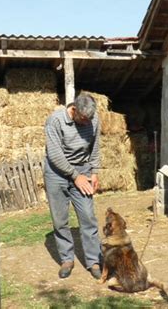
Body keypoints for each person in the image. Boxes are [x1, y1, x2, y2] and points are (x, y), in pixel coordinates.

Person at [43, 93, 102, 279]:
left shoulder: (93, 119)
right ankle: (67, 259)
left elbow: (95, 146)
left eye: (89, 119)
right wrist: (76, 177)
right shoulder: (55, 121)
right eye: (83, 119)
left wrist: (94, 172)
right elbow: (55, 155)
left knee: (88, 217)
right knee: (60, 220)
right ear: (74, 110)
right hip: (56, 173)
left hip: (82, 171)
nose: (87, 123)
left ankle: (94, 261)